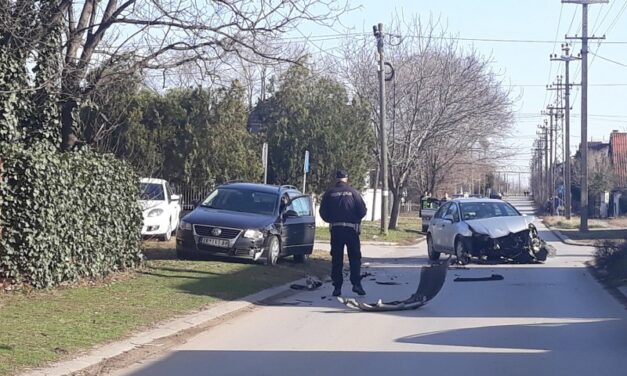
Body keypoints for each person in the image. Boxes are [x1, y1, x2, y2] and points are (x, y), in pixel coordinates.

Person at [319, 169, 368, 297]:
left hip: (336, 229)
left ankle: (337, 287)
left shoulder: (329, 193)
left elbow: (322, 212)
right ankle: (356, 284)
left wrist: (332, 219)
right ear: (346, 178)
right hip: (351, 230)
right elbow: (362, 211)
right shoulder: (353, 192)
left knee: (337, 259)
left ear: (336, 178)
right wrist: (355, 219)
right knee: (355, 258)